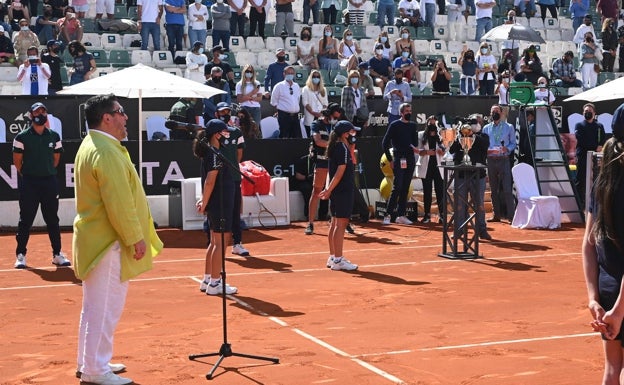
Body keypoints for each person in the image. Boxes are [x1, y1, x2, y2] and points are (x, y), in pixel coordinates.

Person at [73, 94, 162, 385]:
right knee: (104, 307)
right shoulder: (106, 151)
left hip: (98, 239)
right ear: (106, 118)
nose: (126, 118)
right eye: (120, 112)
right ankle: (95, 369)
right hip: (107, 242)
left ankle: (91, 360)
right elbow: (119, 202)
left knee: (95, 307)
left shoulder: (97, 145)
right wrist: (135, 237)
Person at [581, 114, 624, 385]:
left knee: (611, 369)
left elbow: (587, 243)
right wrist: (620, 311)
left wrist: (593, 299)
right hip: (619, 300)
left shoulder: (601, 183)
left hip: (607, 290)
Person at [12, 102, 69, 269]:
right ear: (30, 115)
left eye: (43, 111)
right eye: (37, 111)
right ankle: (21, 255)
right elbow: (17, 162)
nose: (40, 114)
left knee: (52, 219)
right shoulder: (21, 137)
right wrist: (30, 173)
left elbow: (56, 159)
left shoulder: (54, 136)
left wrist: (46, 170)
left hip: (49, 182)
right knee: (26, 220)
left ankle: (57, 254)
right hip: (29, 182)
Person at [195, 119, 238, 295]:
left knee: (215, 242)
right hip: (220, 203)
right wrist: (203, 202)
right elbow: (210, 181)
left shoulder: (214, 153)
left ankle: (207, 279)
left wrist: (204, 201)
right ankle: (215, 283)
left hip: (218, 203)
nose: (227, 134)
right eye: (225, 131)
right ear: (216, 134)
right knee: (220, 242)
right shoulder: (213, 155)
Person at [319, 120, 359, 271]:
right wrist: (328, 190)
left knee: (335, 223)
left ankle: (333, 256)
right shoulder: (341, 148)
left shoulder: (337, 146)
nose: (352, 135)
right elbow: (339, 171)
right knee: (340, 224)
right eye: (350, 132)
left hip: (338, 190)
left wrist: (329, 189)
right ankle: (338, 260)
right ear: (344, 134)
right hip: (342, 190)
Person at [212, 102, 251, 257]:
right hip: (217, 178)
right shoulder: (212, 134)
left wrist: (232, 168)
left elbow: (239, 155)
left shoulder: (236, 133)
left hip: (234, 177)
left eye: (227, 111)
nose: (225, 114)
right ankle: (213, 243)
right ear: (216, 114)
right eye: (222, 112)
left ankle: (237, 244)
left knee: (235, 212)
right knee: (216, 211)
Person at [449, 119, 491, 240]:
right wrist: (459, 136)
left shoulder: (483, 136)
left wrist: (472, 135)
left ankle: (482, 230)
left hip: (478, 175)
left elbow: (485, 145)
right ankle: (459, 229)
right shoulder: (460, 136)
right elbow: (452, 150)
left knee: (479, 203)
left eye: (472, 125)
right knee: (460, 204)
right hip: (461, 175)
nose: (468, 128)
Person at [305, 103, 343, 235]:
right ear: (328, 114)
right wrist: (334, 144)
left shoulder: (336, 126)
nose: (335, 119)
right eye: (334, 116)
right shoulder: (317, 124)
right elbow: (318, 141)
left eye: (337, 117)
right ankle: (310, 223)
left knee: (336, 192)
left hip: (334, 163)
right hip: (321, 162)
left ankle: (339, 221)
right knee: (316, 192)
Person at [381, 103, 418, 225]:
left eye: (410, 110)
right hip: (398, 158)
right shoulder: (394, 125)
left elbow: (415, 143)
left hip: (410, 159)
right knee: (397, 187)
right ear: (401, 113)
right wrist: (390, 160)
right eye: (406, 111)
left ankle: (401, 215)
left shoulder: (413, 126)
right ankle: (388, 215)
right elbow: (385, 143)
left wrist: (414, 148)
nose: (409, 113)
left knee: (406, 187)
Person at [482, 104, 517, 222]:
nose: (494, 113)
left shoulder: (509, 127)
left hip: (504, 160)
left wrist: (506, 149)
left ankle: (511, 216)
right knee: (493, 189)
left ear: (501, 113)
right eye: (492, 111)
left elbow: (513, 143)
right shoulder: (486, 128)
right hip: (491, 160)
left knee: (507, 189)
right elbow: (483, 144)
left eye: (496, 111)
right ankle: (496, 215)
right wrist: (487, 150)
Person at [575, 103, 606, 203]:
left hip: (596, 157)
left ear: (594, 113)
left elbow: (602, 139)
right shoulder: (579, 125)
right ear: (582, 113)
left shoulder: (599, 126)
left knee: (597, 180)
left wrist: (600, 146)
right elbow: (581, 140)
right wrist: (595, 147)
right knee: (581, 180)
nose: (588, 113)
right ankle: (580, 203)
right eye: (586, 112)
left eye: (590, 112)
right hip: (583, 157)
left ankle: (595, 203)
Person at [415, 117, 444, 224]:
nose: (432, 125)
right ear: (426, 124)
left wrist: (442, 152)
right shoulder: (421, 135)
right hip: (426, 167)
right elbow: (418, 150)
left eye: (434, 123)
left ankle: (442, 215)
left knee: (440, 191)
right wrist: (427, 152)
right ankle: (427, 215)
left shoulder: (441, 135)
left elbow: (445, 149)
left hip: (438, 167)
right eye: (430, 123)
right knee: (427, 192)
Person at [270, 65, 302, 138]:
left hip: (295, 116)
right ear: (284, 74)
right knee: (284, 137)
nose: (290, 75)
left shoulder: (296, 86)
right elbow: (273, 101)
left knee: (297, 137)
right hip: (284, 116)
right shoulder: (279, 86)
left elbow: (298, 99)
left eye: (292, 73)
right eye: (288, 73)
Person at [301, 69, 328, 137]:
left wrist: (321, 113)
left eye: (318, 77)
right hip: (310, 117)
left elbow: (325, 103)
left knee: (322, 136)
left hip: (321, 117)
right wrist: (313, 112)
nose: (316, 78)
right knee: (310, 136)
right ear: (311, 77)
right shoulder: (305, 89)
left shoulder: (323, 89)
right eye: (314, 77)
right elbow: (305, 103)